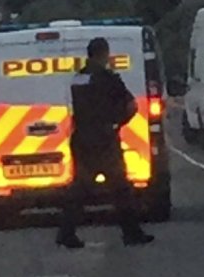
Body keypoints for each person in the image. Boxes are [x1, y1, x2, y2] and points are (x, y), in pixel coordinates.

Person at [56, 37, 155, 249]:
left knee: (80, 188)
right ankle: (131, 233)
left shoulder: (78, 79)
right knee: (120, 187)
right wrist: (117, 123)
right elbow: (131, 106)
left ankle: (66, 232)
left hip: (81, 139)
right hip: (104, 140)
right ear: (104, 54)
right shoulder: (108, 79)